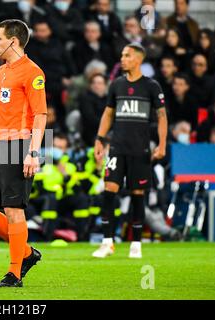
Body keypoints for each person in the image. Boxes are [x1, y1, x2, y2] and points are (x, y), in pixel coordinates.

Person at [0, 19, 47, 288]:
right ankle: (27, 253)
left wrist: (33, 152)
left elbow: (40, 115)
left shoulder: (32, 72)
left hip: (19, 145)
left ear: (13, 41)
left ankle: (14, 274)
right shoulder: (3, 70)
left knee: (14, 209)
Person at [92, 43, 167, 259]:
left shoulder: (152, 87)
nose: (122, 58)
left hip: (140, 151)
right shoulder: (116, 85)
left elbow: (162, 117)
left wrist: (161, 145)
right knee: (108, 192)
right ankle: (107, 242)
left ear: (138, 59)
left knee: (137, 196)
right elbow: (108, 114)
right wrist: (99, 139)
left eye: (127, 55)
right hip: (117, 148)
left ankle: (136, 244)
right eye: (122, 54)